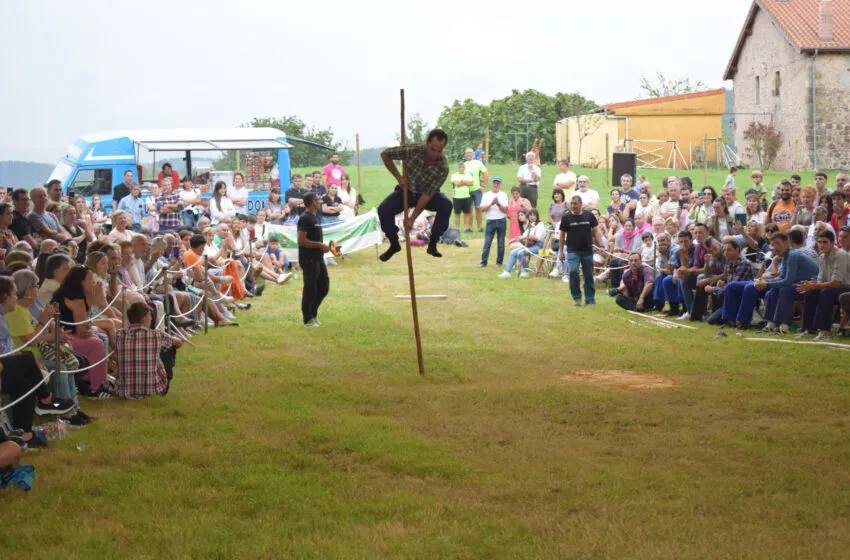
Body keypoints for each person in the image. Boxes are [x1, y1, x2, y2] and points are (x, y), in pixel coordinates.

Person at [377, 129, 451, 261]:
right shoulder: (412, 150)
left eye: (439, 151)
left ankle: (433, 243)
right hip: (407, 190)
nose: (435, 154)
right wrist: (399, 178)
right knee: (383, 209)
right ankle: (394, 244)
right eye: (432, 149)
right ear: (426, 143)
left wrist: (411, 219)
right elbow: (385, 155)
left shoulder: (443, 167)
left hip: (427, 194)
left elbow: (426, 196)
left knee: (446, 204)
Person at [115, 302, 182, 399]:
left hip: (123, 391)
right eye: (149, 316)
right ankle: (165, 378)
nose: (151, 319)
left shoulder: (119, 334)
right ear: (143, 319)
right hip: (154, 391)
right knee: (169, 348)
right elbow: (178, 343)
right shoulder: (157, 335)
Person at [797, 230, 849, 341]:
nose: (822, 245)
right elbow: (821, 279)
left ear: (832, 243)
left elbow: (837, 283)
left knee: (825, 293)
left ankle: (825, 331)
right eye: (820, 242)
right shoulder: (821, 257)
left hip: (846, 288)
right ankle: (809, 330)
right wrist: (813, 284)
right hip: (833, 287)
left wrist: (815, 286)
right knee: (810, 292)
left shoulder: (840, 255)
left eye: (825, 242)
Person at [559, 195, 602, 305]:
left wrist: (600, 244)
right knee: (573, 272)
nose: (573, 206)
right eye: (571, 204)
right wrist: (560, 252)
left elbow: (596, 230)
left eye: (575, 204)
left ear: (581, 204)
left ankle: (590, 299)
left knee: (588, 275)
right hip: (572, 251)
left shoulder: (589, 216)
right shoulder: (566, 218)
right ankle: (577, 297)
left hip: (587, 250)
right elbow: (562, 235)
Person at [298, 194, 330, 327]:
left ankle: (313, 312)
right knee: (310, 288)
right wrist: (318, 245)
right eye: (317, 200)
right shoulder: (305, 218)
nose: (320, 202)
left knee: (323, 286)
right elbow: (301, 240)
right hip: (309, 258)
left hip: (318, 258)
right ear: (312, 203)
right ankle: (307, 318)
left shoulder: (314, 217)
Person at [499, 209, 545, 278]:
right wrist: (516, 239)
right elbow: (524, 235)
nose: (532, 217)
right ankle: (507, 272)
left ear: (537, 216)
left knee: (520, 252)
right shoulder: (531, 224)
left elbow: (537, 238)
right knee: (513, 252)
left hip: (538, 246)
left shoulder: (540, 224)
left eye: (534, 215)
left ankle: (525, 271)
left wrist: (526, 237)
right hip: (530, 244)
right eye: (530, 215)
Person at [479, 178, 508, 268]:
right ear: (492, 184)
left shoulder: (503, 195)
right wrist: (491, 204)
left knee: (501, 243)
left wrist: (498, 203)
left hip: (501, 221)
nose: (496, 185)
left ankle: (499, 262)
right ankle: (483, 262)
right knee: (487, 243)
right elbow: (482, 209)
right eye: (495, 183)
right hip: (490, 221)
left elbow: (505, 210)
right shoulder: (486, 195)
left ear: (500, 185)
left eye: (498, 183)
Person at [462, 147, 488, 232]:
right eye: (466, 153)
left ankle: (480, 227)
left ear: (473, 154)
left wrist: (483, 185)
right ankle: (469, 228)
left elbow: (485, 173)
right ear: (465, 155)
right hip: (466, 191)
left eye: (469, 152)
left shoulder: (478, 163)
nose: (468, 154)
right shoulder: (464, 164)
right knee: (469, 210)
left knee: (478, 209)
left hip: (477, 190)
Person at [450, 161, 473, 233]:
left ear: (464, 168)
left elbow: (471, 183)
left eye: (462, 167)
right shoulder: (454, 175)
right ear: (458, 168)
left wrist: (461, 182)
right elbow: (456, 183)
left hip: (466, 196)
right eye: (460, 167)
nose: (461, 168)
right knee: (457, 214)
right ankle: (457, 229)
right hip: (457, 197)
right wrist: (465, 182)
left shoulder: (468, 175)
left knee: (466, 213)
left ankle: (466, 228)